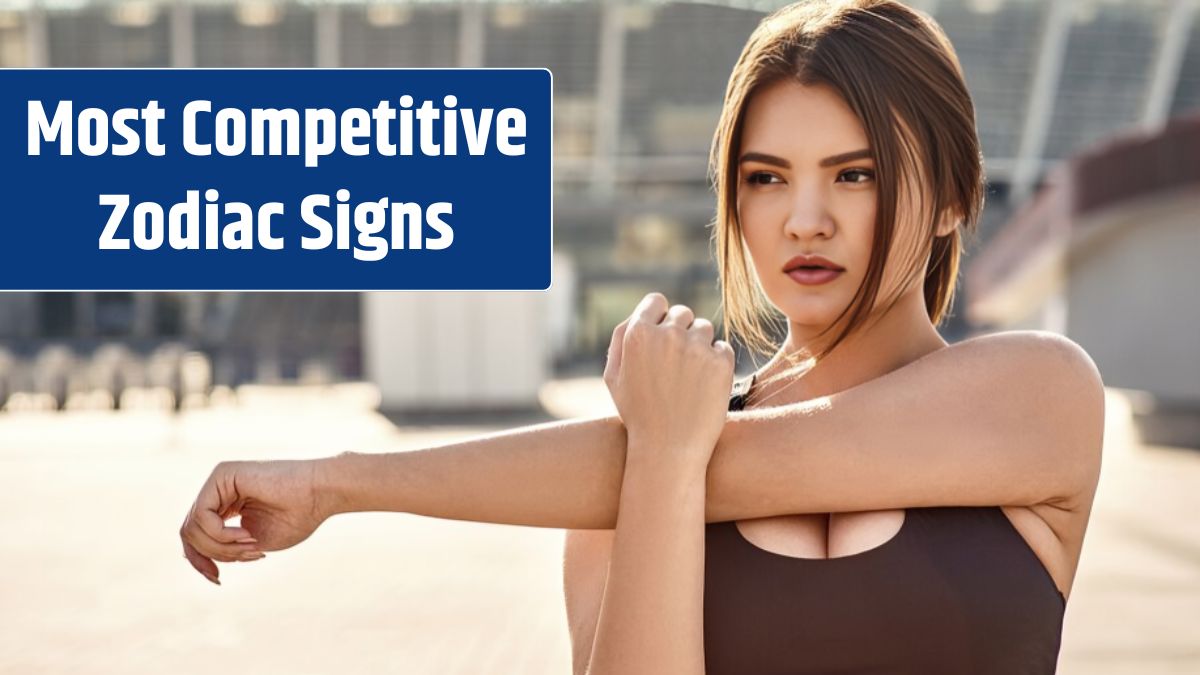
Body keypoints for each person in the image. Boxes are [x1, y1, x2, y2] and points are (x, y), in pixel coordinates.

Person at [179, 1, 1105, 673]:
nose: (804, 220)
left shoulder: (1037, 394)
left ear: (953, 197)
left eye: (855, 175)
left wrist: (342, 482)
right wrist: (658, 462)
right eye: (767, 177)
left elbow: (776, 458)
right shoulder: (625, 471)